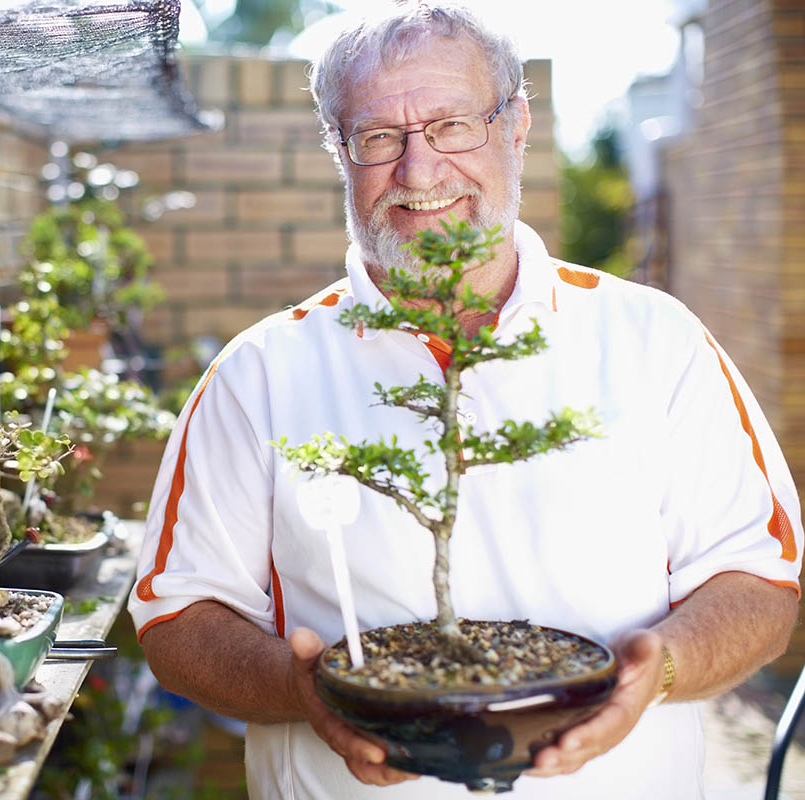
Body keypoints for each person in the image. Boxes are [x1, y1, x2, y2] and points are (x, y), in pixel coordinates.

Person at [127, 3, 803, 798]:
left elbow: (758, 579)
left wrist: (664, 667)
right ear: (338, 150)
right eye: (379, 137)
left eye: (451, 125)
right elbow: (178, 616)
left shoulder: (657, 341)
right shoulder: (258, 375)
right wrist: (304, 689)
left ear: (516, 125)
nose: (419, 172)